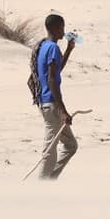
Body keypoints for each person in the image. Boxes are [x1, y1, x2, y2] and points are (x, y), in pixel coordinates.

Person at [30, 13, 79, 179]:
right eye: (61, 27)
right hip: (51, 105)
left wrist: (69, 50)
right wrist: (63, 109)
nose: (63, 31)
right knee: (49, 153)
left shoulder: (45, 46)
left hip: (48, 104)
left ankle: (50, 180)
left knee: (71, 146)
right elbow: (52, 79)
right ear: (54, 28)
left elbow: (56, 70)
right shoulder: (51, 47)